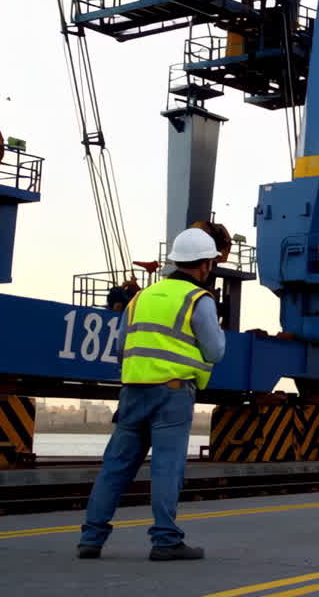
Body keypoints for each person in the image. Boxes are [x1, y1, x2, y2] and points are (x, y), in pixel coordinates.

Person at [77, 228, 226, 561]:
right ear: (205, 265)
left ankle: (91, 539)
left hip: (133, 391)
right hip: (172, 394)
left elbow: (120, 347)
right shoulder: (198, 300)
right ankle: (165, 541)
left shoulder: (140, 298)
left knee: (115, 466)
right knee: (166, 467)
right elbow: (215, 351)